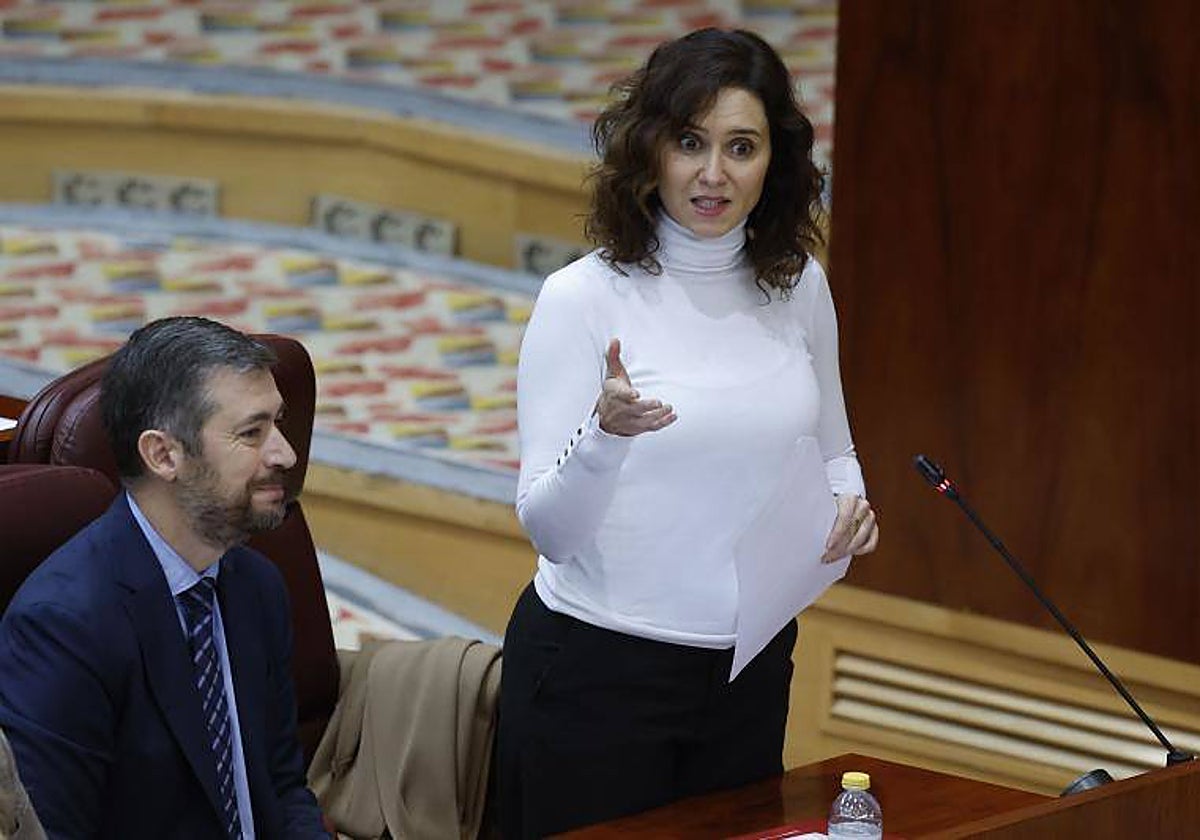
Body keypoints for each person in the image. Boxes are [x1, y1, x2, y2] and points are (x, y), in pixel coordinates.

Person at [496, 28, 880, 837]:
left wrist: (850, 512)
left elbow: (835, 450)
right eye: (689, 142)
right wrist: (605, 436)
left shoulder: (799, 287)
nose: (713, 174)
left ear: (775, 160)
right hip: (596, 676)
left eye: (741, 147)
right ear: (650, 151)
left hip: (749, 669)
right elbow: (550, 531)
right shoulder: (582, 299)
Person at [0, 317, 330, 838]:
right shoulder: (62, 628)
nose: (285, 453)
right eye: (252, 433)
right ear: (163, 454)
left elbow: (283, 787)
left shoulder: (257, 585)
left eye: (279, 424)